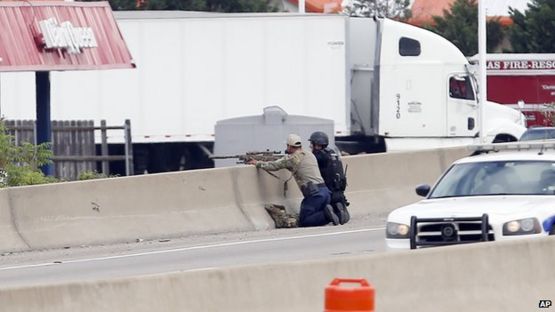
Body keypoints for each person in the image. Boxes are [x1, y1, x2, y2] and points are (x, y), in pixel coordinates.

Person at [247, 134, 340, 227]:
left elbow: (273, 166)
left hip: (314, 195)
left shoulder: (291, 158)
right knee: (315, 215)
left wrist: (257, 163)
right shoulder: (309, 154)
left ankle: (326, 215)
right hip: (325, 192)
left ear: (289, 146)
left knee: (305, 221)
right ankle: (335, 211)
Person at [309, 131, 350, 224]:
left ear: (317, 145)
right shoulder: (333, 153)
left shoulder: (318, 156)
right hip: (340, 192)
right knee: (344, 217)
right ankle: (339, 208)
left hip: (328, 193)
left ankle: (328, 211)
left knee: (315, 212)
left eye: (312, 144)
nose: (310, 146)